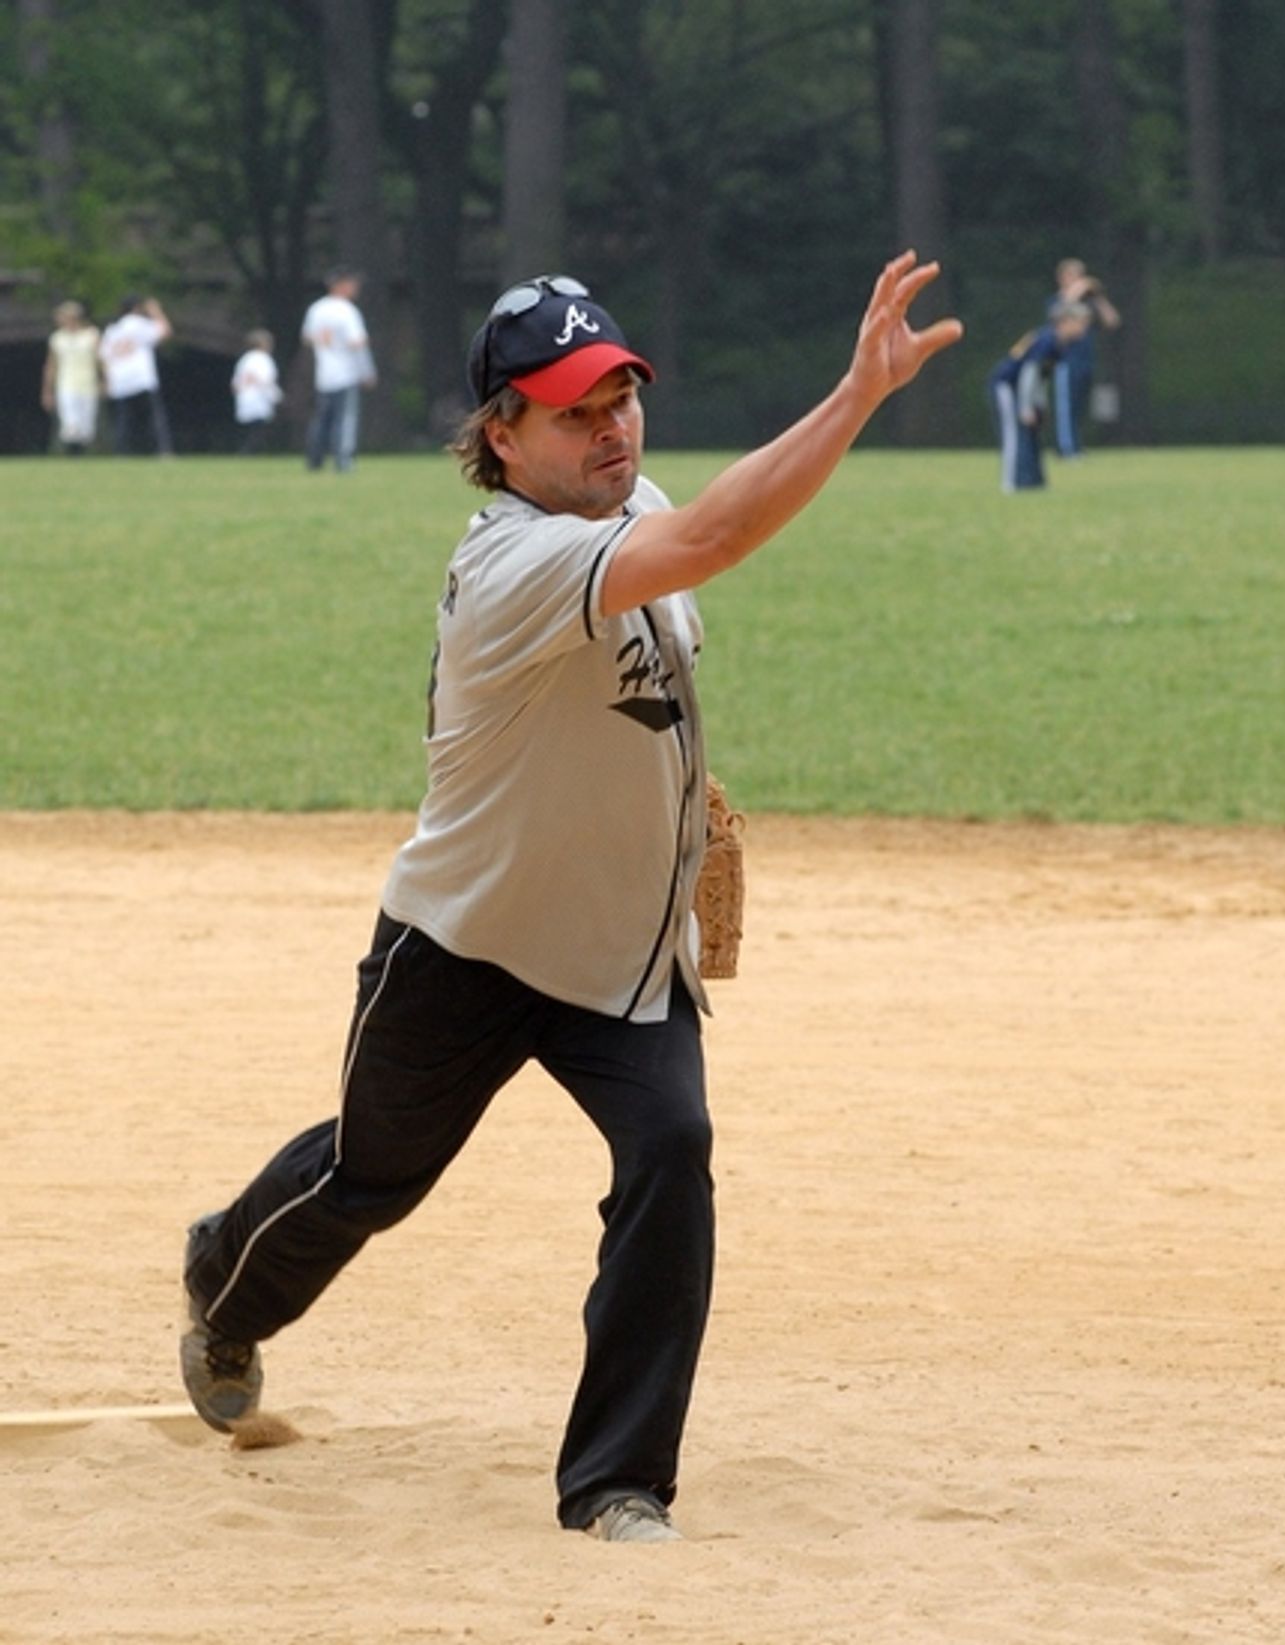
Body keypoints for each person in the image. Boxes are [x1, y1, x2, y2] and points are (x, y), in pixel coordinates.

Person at [179, 254, 962, 1543]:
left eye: (620, 395)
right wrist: (855, 394)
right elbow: (711, 536)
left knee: (672, 1155)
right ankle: (224, 1288)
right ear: (502, 434)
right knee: (371, 1178)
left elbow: (652, 659)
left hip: (615, 950)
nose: (610, 427)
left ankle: (615, 1480)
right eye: (571, 409)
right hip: (465, 942)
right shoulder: (512, 565)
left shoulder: (625, 504)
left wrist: (682, 798)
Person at [989, 302, 1093, 493]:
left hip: (1022, 391)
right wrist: (1025, 407)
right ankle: (1009, 484)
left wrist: (1040, 405)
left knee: (1030, 436)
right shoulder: (1047, 340)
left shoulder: (1060, 345)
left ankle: (1032, 482)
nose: (1084, 328)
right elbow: (1028, 374)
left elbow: (1042, 378)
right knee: (1012, 434)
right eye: (1080, 322)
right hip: (1006, 386)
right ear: (1064, 322)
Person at [302, 269, 375, 472]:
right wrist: (367, 371)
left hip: (323, 373)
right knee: (345, 419)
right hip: (346, 373)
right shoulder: (347, 310)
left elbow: (307, 338)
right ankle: (343, 460)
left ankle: (314, 459)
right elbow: (357, 342)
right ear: (340, 285)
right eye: (352, 283)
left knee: (321, 419)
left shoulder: (316, 309)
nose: (355, 288)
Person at [1047, 257, 1121, 458]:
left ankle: (1076, 444)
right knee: (1066, 406)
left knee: (1080, 406)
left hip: (1086, 361)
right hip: (1065, 362)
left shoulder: (1088, 304)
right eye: (1074, 276)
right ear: (1062, 278)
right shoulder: (1057, 301)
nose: (1079, 280)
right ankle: (1066, 448)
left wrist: (1097, 297)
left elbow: (1112, 321)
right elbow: (1058, 317)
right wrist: (1076, 292)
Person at [99, 295, 174, 456]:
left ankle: (121, 452)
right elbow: (165, 332)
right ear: (137, 308)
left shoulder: (112, 329)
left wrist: (105, 380)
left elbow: (103, 357)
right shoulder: (137, 324)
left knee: (123, 420)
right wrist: (156, 311)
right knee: (154, 417)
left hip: (119, 379)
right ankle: (162, 450)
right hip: (141, 378)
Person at [41, 300, 103, 455]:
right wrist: (47, 391)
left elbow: (100, 360)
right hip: (66, 385)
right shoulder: (57, 339)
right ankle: (72, 455)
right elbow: (51, 366)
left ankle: (82, 455)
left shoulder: (91, 335)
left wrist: (104, 380)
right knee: (70, 425)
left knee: (86, 427)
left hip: (88, 385)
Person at [230, 330, 283, 455]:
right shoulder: (263, 359)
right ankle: (249, 452)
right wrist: (276, 395)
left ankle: (251, 451)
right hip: (258, 397)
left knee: (249, 428)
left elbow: (236, 382)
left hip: (245, 396)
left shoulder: (245, 359)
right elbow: (264, 380)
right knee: (257, 429)